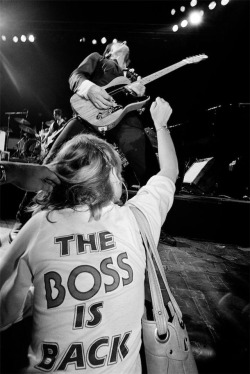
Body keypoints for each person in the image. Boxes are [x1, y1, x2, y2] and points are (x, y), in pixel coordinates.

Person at [0, 97, 178, 373]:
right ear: (112, 179)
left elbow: (4, 312)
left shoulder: (40, 226)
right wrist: (162, 125)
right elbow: (169, 172)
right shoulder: (136, 219)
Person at [9, 40, 161, 242]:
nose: (122, 41)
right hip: (89, 118)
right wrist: (89, 89)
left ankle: (152, 223)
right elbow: (75, 76)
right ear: (109, 51)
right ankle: (24, 218)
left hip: (124, 122)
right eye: (117, 43)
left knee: (149, 171)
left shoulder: (132, 76)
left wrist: (138, 95)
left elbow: (138, 106)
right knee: (52, 161)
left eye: (125, 42)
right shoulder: (99, 59)